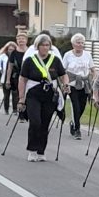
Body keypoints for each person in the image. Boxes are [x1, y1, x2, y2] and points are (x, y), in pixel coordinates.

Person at [18, 34, 70, 162]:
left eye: (47, 45)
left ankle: (41, 150)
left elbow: (63, 75)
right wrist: (21, 98)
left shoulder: (55, 60)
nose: (45, 48)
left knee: (45, 123)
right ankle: (32, 149)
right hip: (33, 94)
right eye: (43, 45)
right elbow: (22, 79)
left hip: (49, 95)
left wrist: (66, 85)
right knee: (35, 121)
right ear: (38, 46)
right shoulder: (30, 60)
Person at [63, 33, 95, 140]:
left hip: (85, 84)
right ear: (73, 44)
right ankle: (77, 129)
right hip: (72, 84)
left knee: (82, 106)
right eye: (78, 42)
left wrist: (94, 80)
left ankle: (73, 122)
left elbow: (93, 69)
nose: (80, 45)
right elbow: (63, 71)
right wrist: (65, 84)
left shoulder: (87, 55)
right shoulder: (68, 55)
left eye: (82, 43)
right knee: (75, 106)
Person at [5, 32, 29, 119]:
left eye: (23, 39)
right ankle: (21, 114)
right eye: (19, 39)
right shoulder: (14, 53)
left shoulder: (30, 51)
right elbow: (10, 67)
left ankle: (28, 112)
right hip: (18, 77)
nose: (21, 40)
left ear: (26, 40)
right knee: (20, 94)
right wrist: (8, 80)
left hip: (29, 76)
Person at [0, 42, 15, 114]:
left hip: (14, 77)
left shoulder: (16, 56)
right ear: (7, 49)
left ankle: (15, 109)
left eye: (12, 50)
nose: (11, 51)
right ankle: (6, 109)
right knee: (6, 94)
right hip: (4, 76)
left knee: (15, 94)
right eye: (9, 49)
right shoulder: (3, 56)